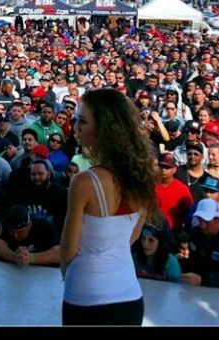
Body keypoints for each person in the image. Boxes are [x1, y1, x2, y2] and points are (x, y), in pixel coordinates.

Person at [60, 89, 159, 326]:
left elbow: (68, 249)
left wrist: (69, 274)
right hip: (129, 294)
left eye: (83, 121)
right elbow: (132, 236)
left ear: (105, 130)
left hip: (86, 294)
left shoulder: (84, 182)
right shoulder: (143, 176)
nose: (76, 127)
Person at [180, 199, 219, 289]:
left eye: (206, 221)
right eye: (200, 220)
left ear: (218, 220)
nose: (203, 226)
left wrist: (203, 279)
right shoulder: (196, 233)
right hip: (196, 288)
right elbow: (193, 261)